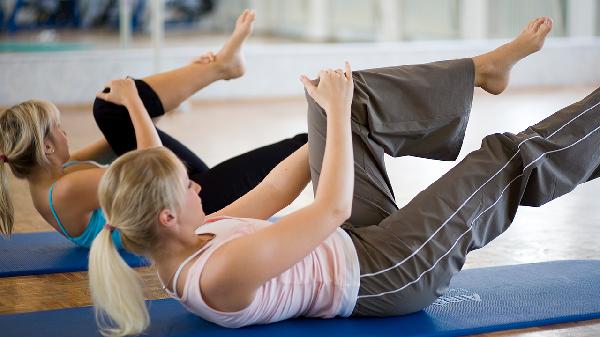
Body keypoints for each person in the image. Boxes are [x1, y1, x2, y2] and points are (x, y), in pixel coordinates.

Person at [88, 17, 580, 337]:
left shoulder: (192, 233)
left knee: (349, 93)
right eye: (187, 184)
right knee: (502, 160)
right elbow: (331, 210)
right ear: (167, 216)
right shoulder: (217, 275)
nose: (199, 183)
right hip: (384, 275)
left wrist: (330, 118)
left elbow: (274, 190)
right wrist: (337, 119)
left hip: (353, 240)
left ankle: (483, 71)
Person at [0, 9, 307, 248]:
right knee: (303, 145)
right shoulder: (66, 190)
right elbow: (153, 168)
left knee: (110, 110)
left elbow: (129, 136)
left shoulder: (53, 173)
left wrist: (154, 98)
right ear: (47, 147)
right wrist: (133, 98)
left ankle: (219, 67)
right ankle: (341, 132)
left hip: (178, 191)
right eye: (58, 128)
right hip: (188, 210)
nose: (64, 132)